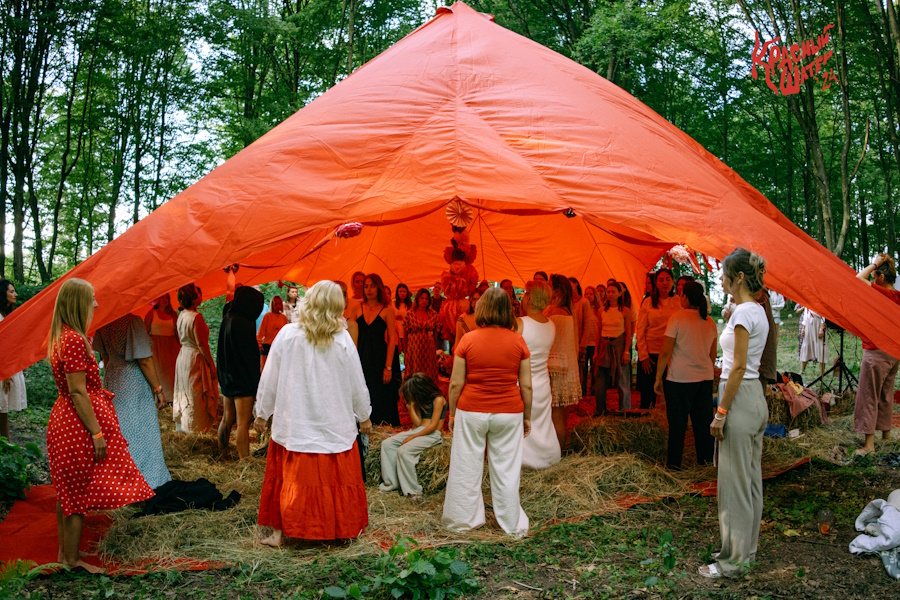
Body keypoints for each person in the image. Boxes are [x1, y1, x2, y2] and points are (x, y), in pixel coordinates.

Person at [46, 278, 153, 573]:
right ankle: (71, 560)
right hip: (76, 424)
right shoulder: (73, 339)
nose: (95, 303)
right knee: (76, 492)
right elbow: (77, 391)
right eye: (91, 298)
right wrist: (96, 432)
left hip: (68, 419)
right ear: (78, 302)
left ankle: (66, 552)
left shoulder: (64, 336)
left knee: (68, 490)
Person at [254, 281, 372, 545]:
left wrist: (262, 412)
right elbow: (357, 381)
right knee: (334, 480)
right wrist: (363, 415)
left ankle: (280, 533)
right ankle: (340, 530)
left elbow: (269, 377)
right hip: (333, 424)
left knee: (288, 478)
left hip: (296, 423)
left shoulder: (287, 334)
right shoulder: (342, 339)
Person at [702, 248, 770, 579]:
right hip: (754, 397)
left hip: (740, 397)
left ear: (739, 277)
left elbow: (738, 367)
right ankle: (742, 550)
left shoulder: (744, 314)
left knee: (735, 484)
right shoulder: (755, 310)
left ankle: (734, 562)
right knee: (750, 481)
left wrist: (721, 411)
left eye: (724, 274)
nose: (720, 279)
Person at [443, 287, 532, 536]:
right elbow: (526, 385)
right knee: (506, 469)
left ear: (481, 308)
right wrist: (527, 417)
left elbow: (455, 383)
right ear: (507, 311)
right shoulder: (518, 341)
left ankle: (463, 520)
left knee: (465, 465)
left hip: (471, 410)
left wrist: (452, 414)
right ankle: (511, 523)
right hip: (509, 411)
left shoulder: (467, 340)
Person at [93, 314, 171, 489]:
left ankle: (118, 478)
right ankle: (143, 480)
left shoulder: (104, 320)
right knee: (139, 429)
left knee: (117, 428)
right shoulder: (133, 321)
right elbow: (144, 360)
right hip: (132, 379)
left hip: (112, 376)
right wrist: (158, 389)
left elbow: (104, 356)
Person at [653, 282, 717, 470]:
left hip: (679, 380)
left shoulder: (677, 319)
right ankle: (706, 462)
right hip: (704, 379)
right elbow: (713, 354)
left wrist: (658, 378)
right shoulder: (709, 321)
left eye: (681, 294)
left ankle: (674, 465)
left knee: (677, 425)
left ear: (686, 298)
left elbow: (665, 352)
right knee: (703, 424)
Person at [854, 253, 900, 456]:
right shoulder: (898, 296)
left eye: (875, 276)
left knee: (869, 394)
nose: (872, 279)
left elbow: (857, 278)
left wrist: (874, 264)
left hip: (876, 350)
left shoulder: (881, 293)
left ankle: (869, 445)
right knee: (886, 394)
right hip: (894, 352)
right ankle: (886, 437)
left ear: (881, 277)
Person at [379, 373, 446, 499]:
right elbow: (418, 423)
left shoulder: (439, 399)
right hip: (420, 430)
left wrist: (413, 436)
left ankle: (413, 491)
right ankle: (392, 483)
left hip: (432, 434)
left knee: (404, 451)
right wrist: (411, 407)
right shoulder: (422, 399)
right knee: (387, 444)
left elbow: (432, 426)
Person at [348, 273, 401, 426]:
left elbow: (392, 339)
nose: (369, 289)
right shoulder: (356, 308)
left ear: (379, 288)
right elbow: (350, 337)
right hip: (360, 356)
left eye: (372, 286)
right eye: (366, 286)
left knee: (380, 393)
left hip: (379, 357)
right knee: (361, 389)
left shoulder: (387, 310)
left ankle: (381, 426)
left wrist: (388, 367)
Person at [517, 281, 560, 470]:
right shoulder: (551, 325)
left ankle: (525, 460)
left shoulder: (520, 324)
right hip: (543, 382)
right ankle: (548, 457)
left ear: (529, 298)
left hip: (523, 382)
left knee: (522, 424)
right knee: (543, 424)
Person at [219, 285, 264, 459]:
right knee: (243, 424)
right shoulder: (244, 323)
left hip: (227, 376)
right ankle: (244, 462)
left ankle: (222, 454)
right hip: (242, 380)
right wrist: (256, 383)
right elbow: (249, 356)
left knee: (226, 418)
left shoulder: (228, 317)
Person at [173, 284, 219, 433]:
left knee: (186, 389)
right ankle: (195, 427)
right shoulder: (196, 317)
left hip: (183, 355)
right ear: (193, 298)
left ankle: (184, 424)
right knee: (196, 393)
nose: (200, 295)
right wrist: (211, 365)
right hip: (194, 357)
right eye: (198, 293)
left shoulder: (181, 314)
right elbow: (202, 344)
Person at [545, 275, 581, 449]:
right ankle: (561, 447)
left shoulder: (555, 313)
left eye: (549, 285)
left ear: (557, 291)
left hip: (556, 367)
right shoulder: (566, 311)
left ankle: (557, 451)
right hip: (564, 366)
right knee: (561, 415)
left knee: (556, 416)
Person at [636, 269, 680, 409]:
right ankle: (646, 418)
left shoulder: (679, 301)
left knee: (672, 393)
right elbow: (640, 329)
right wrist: (643, 355)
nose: (664, 283)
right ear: (656, 283)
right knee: (647, 395)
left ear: (673, 281)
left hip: (673, 353)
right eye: (661, 280)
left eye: (668, 279)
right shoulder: (648, 302)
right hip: (651, 354)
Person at [594, 282, 633, 415]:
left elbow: (628, 332)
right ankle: (600, 411)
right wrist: (596, 351)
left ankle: (625, 410)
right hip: (604, 345)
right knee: (601, 380)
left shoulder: (625, 311)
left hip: (619, 345)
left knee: (622, 379)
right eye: (608, 292)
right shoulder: (601, 311)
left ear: (620, 293)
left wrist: (626, 351)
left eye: (613, 292)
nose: (610, 294)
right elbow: (598, 332)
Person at [144, 293, 181, 406]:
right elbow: (145, 333)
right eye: (162, 297)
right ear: (158, 300)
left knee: (172, 374)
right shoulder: (151, 313)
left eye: (167, 298)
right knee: (160, 373)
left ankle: (173, 399)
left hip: (172, 349)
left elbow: (177, 334)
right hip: (156, 349)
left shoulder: (174, 314)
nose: (165, 300)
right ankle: (161, 398)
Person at [0, 279, 26, 441]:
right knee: (1, 406)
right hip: (2, 366)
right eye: (11, 292)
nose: (15, 294)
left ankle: (5, 441)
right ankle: (5, 442)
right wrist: (4, 372)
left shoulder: (8, 315)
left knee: (3, 407)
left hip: (8, 365)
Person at [404, 289, 439, 381]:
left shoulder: (433, 314)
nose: (424, 301)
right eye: (422, 298)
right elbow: (405, 335)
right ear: (417, 299)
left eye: (426, 299)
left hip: (429, 349)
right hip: (414, 349)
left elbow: (435, 333)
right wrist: (405, 353)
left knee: (428, 374)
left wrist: (434, 349)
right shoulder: (409, 314)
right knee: (415, 374)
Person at [257, 296, 289, 370]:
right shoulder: (267, 316)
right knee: (265, 370)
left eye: (279, 304)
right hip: (267, 346)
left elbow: (286, 334)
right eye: (276, 304)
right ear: (272, 305)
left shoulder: (284, 317)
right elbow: (260, 332)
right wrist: (259, 344)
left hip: (279, 347)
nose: (278, 306)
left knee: (277, 369)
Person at [798, 307, 828, 380]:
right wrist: (803, 328)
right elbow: (806, 315)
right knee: (806, 344)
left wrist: (821, 328)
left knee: (821, 346)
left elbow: (824, 314)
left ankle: (822, 373)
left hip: (818, 323)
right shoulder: (807, 303)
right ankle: (802, 370)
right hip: (809, 324)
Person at [581, 286, 601, 395]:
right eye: (586, 294)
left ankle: (594, 390)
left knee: (594, 369)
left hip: (594, 342)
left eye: (590, 294)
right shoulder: (583, 308)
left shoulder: (598, 310)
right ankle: (582, 389)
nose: (588, 296)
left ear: (595, 296)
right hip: (585, 342)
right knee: (583, 368)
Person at [336, 281, 359, 345]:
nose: (345, 297)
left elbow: (352, 350)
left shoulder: (349, 325)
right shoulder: (318, 322)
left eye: (345, 294)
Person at [395, 283, 412, 354]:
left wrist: (404, 318)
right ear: (397, 292)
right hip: (396, 334)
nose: (402, 293)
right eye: (400, 291)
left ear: (407, 293)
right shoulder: (392, 304)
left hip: (408, 333)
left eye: (404, 291)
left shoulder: (412, 305)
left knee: (408, 354)